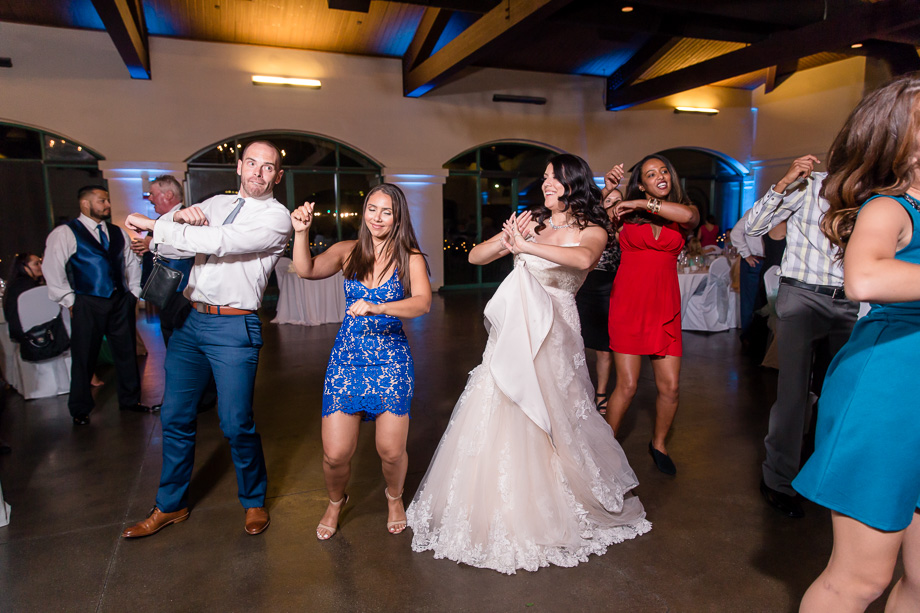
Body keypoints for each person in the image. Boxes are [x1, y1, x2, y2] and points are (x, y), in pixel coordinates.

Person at [407, 154, 651, 574]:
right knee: (499, 401)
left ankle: (556, 502)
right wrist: (507, 241)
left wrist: (527, 246)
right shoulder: (531, 221)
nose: (546, 185)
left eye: (553, 179)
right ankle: (499, 503)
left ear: (572, 183)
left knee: (552, 413)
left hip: (554, 330)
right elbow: (475, 259)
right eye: (544, 179)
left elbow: (582, 261)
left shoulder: (592, 229)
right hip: (514, 331)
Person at [792, 73, 920, 612]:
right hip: (889, 392)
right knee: (860, 580)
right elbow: (864, 279)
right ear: (902, 139)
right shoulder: (889, 208)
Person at [120, 140, 293, 537]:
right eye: (252, 163)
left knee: (235, 424)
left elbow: (221, 242)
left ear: (277, 176)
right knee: (175, 416)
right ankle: (170, 505)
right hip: (191, 321)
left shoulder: (277, 218)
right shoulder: (215, 203)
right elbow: (179, 244)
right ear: (239, 166)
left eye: (268, 167)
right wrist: (170, 227)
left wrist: (157, 223)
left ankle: (253, 501)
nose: (258, 172)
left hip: (234, 327)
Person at [289, 183, 431, 540]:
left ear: (397, 216)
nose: (377, 217)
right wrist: (301, 232)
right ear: (364, 211)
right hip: (348, 359)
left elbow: (422, 304)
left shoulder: (410, 256)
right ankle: (335, 502)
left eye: (386, 211)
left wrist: (378, 307)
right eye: (372, 209)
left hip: (390, 360)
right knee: (335, 454)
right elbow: (305, 269)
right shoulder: (346, 251)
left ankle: (394, 497)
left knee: (390, 451)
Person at [746, 155, 858, 518]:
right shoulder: (809, 185)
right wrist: (782, 183)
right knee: (792, 394)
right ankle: (778, 480)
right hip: (802, 296)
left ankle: (823, 474)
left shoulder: (875, 193)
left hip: (851, 302)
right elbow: (754, 226)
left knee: (839, 394)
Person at [604, 155, 700, 475]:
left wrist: (642, 204)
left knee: (670, 387)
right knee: (628, 385)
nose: (659, 176)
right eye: (650, 174)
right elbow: (606, 212)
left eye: (663, 172)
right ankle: (604, 446)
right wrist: (610, 191)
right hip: (629, 305)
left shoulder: (684, 211)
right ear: (641, 183)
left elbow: (687, 215)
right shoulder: (625, 212)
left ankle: (658, 444)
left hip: (664, 308)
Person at [43, 186, 149, 425]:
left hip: (120, 301)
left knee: (126, 353)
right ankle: (80, 408)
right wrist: (71, 300)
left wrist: (133, 293)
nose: (107, 205)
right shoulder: (66, 233)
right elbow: (52, 269)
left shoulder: (117, 232)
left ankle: (130, 401)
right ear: (85, 204)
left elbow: (130, 263)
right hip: (87, 301)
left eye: (108, 200)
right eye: (102, 201)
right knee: (84, 355)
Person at [131, 175, 216, 412]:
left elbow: (186, 248)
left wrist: (150, 244)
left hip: (184, 296)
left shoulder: (190, 217)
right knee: (177, 350)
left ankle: (196, 401)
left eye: (152, 193)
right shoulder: (162, 221)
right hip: (169, 296)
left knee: (186, 351)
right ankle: (189, 400)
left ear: (168, 195)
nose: (149, 198)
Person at [575, 163, 624, 415]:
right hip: (586, 286)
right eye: (609, 201)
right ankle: (577, 391)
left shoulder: (626, 229)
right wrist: (607, 189)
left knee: (605, 348)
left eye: (618, 201)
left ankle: (601, 394)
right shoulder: (594, 224)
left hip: (611, 290)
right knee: (577, 343)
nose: (613, 205)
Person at [729, 209, 765, 335]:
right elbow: (735, 233)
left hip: (768, 261)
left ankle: (759, 340)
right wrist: (746, 254)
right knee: (749, 303)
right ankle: (747, 338)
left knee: (764, 303)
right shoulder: (755, 211)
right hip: (754, 261)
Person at [3, 253, 44, 343]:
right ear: (24, 267)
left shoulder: (16, 283)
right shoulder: (27, 285)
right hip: (29, 332)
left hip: (19, 331)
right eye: (36, 264)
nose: (41, 266)